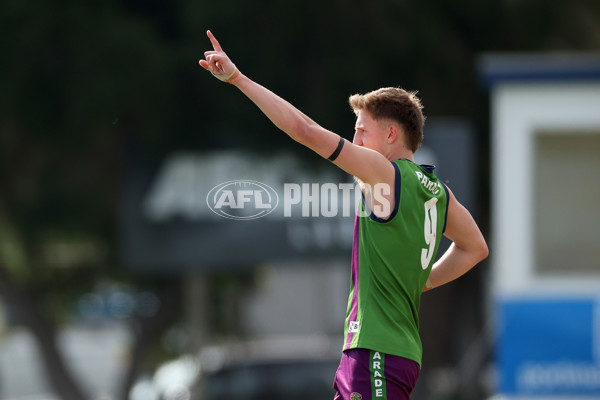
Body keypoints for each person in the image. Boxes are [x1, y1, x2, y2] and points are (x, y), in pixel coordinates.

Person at [199, 30, 488, 400]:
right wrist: (421, 280)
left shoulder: (385, 173)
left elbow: (303, 129)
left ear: (391, 134)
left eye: (362, 131)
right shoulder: (437, 191)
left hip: (376, 354)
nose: (355, 142)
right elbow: (475, 247)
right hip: (389, 353)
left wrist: (238, 79)